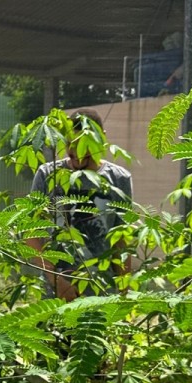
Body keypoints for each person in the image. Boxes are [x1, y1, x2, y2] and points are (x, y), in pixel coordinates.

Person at [27, 109, 133, 301]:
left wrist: (124, 296)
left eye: (82, 143)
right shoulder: (47, 174)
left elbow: (121, 240)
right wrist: (57, 281)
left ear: (100, 138)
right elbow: (31, 234)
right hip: (56, 294)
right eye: (69, 143)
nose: (75, 151)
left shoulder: (119, 179)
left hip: (102, 293)